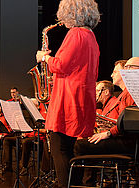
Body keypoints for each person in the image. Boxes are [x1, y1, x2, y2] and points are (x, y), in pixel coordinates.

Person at [36, 0, 100, 186]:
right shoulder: (90, 36)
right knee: (70, 150)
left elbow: (61, 65)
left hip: (69, 98)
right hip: (82, 97)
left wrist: (45, 57)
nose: (61, 19)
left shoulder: (76, 33)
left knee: (59, 148)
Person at [74, 57, 139, 185]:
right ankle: (87, 183)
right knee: (85, 142)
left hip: (129, 143)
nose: (125, 71)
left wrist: (108, 133)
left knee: (79, 145)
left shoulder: (131, 92)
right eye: (125, 68)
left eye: (129, 67)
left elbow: (126, 123)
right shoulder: (126, 93)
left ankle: (84, 184)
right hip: (130, 140)